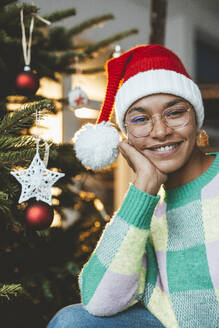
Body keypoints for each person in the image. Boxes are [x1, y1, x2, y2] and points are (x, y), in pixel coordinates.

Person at [47, 45, 219, 328]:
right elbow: (98, 302)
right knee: (72, 321)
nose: (161, 131)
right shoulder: (145, 207)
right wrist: (143, 190)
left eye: (175, 113)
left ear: (195, 118)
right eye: (140, 119)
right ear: (125, 138)